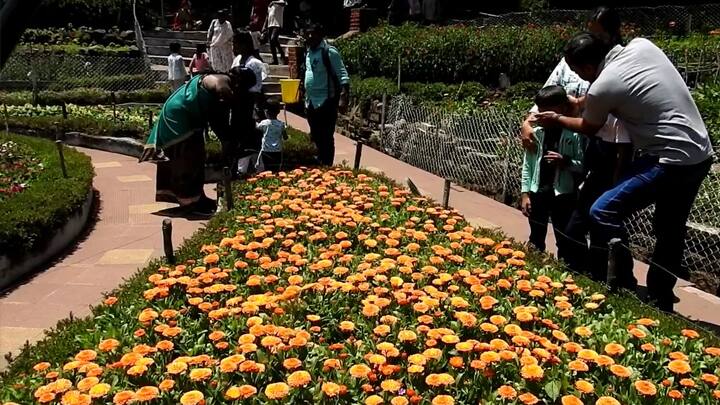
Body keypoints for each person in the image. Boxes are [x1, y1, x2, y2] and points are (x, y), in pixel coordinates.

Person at [533, 32, 714, 312]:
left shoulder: (602, 86)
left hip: (667, 158)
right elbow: (627, 88)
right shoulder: (642, 46)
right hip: (699, 153)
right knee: (669, 229)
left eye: (577, 71)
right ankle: (660, 297)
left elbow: (590, 126)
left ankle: (620, 280)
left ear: (587, 69)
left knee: (602, 211)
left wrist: (557, 118)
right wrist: (581, 103)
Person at [521, 6, 633, 280]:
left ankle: (607, 276)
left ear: (609, 33)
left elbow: (597, 122)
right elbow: (543, 100)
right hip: (581, 141)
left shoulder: (619, 65)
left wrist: (562, 122)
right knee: (574, 222)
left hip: (598, 144)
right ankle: (581, 272)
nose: (591, 36)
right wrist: (528, 123)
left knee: (593, 218)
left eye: (596, 32)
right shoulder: (572, 60)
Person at [140, 67, 257, 216]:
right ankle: (189, 202)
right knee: (188, 157)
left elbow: (219, 122)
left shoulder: (221, 84)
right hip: (180, 116)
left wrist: (228, 139)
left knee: (198, 156)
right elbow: (221, 109)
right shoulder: (222, 83)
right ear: (239, 83)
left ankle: (197, 198)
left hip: (188, 116)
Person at [521, 86, 586, 262]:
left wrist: (565, 162)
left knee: (564, 238)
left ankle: (566, 272)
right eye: (539, 111)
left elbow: (582, 166)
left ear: (563, 109)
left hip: (563, 194)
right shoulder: (536, 134)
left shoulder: (574, 135)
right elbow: (528, 165)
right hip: (539, 191)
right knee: (536, 236)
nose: (541, 115)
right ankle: (532, 267)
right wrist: (525, 193)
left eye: (547, 111)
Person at [303, 23, 350, 166]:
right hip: (310, 100)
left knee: (326, 136)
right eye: (308, 33)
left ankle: (327, 165)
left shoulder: (329, 52)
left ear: (321, 35)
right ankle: (318, 162)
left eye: (314, 33)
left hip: (326, 101)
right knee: (315, 134)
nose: (310, 36)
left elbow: (343, 75)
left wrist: (343, 96)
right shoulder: (309, 52)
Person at [232, 30, 267, 117]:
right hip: (237, 102)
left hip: (249, 104)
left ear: (245, 45)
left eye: (236, 43)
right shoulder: (236, 59)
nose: (234, 46)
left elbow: (258, 88)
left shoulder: (255, 63)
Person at [256, 97, 288, 172]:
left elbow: (257, 128)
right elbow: (285, 137)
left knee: (267, 169)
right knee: (276, 170)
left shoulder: (264, 123)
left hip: (266, 150)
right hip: (278, 151)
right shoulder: (281, 124)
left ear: (266, 111)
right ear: (278, 111)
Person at [265, 0, 287, 65]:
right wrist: (264, 27)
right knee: (272, 42)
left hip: (277, 24)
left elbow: (284, 3)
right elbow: (267, 16)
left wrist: (274, 2)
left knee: (273, 39)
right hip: (270, 25)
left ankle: (282, 54)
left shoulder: (280, 2)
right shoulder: (270, 6)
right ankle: (275, 60)